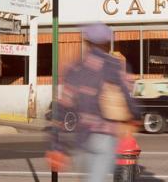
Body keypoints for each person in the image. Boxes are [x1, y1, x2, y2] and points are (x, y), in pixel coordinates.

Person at [47, 23, 138, 182]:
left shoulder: (75, 69)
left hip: (82, 137)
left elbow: (62, 107)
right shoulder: (114, 65)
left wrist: (56, 145)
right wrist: (136, 115)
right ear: (108, 43)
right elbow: (128, 96)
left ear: (87, 43)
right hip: (106, 136)